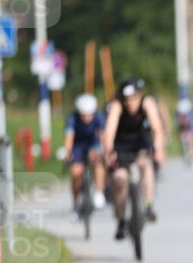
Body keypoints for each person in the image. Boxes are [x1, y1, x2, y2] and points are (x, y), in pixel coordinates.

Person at [101, 77, 166, 239]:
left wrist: (158, 149)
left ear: (140, 95)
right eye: (127, 100)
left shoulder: (147, 103)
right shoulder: (117, 106)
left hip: (140, 143)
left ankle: (149, 205)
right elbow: (109, 132)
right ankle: (121, 219)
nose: (131, 103)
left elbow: (157, 129)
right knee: (120, 179)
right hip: (120, 146)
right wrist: (109, 151)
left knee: (146, 164)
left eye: (134, 99)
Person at [63, 93, 106, 216]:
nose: (86, 118)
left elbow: (103, 135)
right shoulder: (72, 118)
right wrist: (68, 152)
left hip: (94, 143)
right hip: (78, 145)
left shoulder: (99, 117)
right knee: (76, 173)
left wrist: (103, 150)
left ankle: (99, 191)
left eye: (89, 114)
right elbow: (69, 137)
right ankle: (76, 203)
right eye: (83, 115)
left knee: (96, 161)